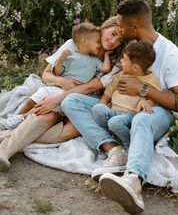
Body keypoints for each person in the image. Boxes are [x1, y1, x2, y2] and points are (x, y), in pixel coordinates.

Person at [61, 0, 178, 214]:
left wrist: (143, 89)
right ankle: (113, 150)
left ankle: (134, 181)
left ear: (134, 27)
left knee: (141, 118)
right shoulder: (129, 47)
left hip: (154, 111)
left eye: (121, 26)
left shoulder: (169, 53)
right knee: (70, 101)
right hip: (120, 110)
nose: (118, 30)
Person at [0, 16, 125, 171]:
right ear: (103, 27)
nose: (114, 41)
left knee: (71, 131)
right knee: (47, 114)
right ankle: (4, 152)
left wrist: (57, 99)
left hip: (84, 100)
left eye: (119, 40)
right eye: (113, 33)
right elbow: (46, 74)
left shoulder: (114, 63)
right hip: (60, 90)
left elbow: (89, 88)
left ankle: (6, 137)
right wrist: (61, 82)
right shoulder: (75, 44)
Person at [0, 22, 111, 132]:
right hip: (58, 87)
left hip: (73, 94)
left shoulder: (95, 61)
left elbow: (106, 69)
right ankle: (15, 117)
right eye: (97, 42)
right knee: (40, 93)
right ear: (84, 41)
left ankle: (21, 118)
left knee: (45, 103)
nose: (99, 45)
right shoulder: (72, 55)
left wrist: (106, 55)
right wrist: (61, 59)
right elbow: (57, 73)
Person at [91, 41, 161, 178]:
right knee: (97, 109)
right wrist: (104, 102)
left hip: (130, 115)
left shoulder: (150, 79)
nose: (121, 61)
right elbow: (109, 91)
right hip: (113, 110)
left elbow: (155, 95)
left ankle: (129, 145)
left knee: (115, 123)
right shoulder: (122, 74)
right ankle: (114, 137)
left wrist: (148, 101)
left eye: (124, 59)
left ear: (135, 67)